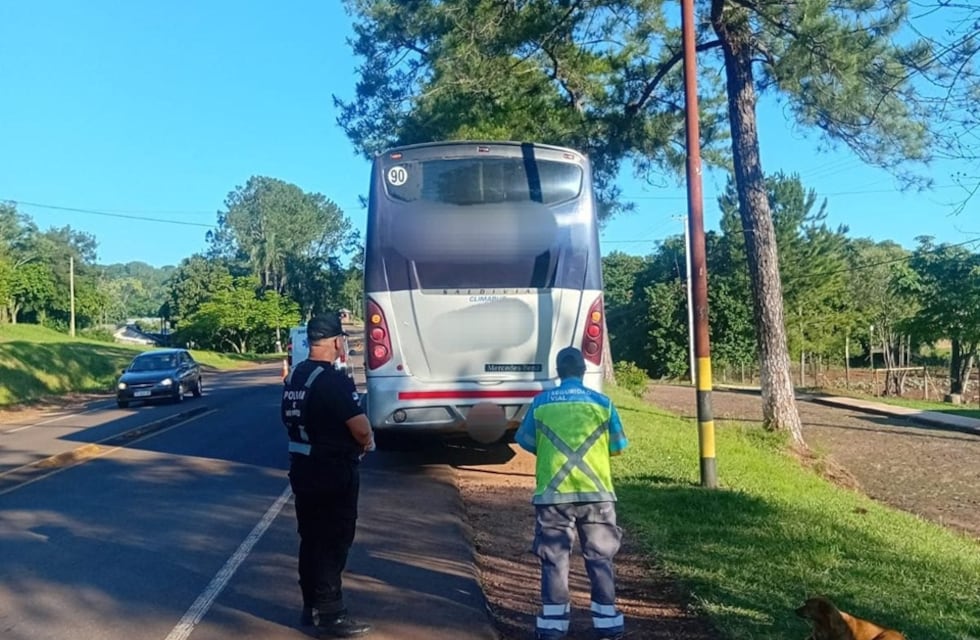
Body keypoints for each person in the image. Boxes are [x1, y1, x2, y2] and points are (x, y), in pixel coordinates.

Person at [515, 347, 629, 640]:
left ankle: (553, 627)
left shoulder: (540, 405)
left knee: (554, 558)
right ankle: (608, 625)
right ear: (582, 371)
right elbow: (617, 447)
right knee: (600, 558)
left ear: (558, 371)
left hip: (553, 495)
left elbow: (527, 441)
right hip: (598, 495)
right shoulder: (603, 404)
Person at [281, 313, 375, 638]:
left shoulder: (295, 377)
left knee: (310, 538)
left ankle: (312, 606)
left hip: (303, 469)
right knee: (333, 541)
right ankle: (331, 612)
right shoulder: (333, 380)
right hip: (332, 471)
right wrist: (367, 442)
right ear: (337, 341)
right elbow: (361, 428)